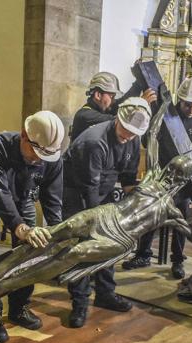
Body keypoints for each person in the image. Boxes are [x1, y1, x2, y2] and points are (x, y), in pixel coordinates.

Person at [0, 110, 65, 343]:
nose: (39, 160)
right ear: (23, 136)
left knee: (29, 252)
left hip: (21, 197)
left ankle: (19, 307)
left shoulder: (51, 157)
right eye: (36, 152)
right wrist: (20, 227)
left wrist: (58, 232)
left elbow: (52, 198)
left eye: (45, 156)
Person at [62, 97, 151, 328]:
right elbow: (89, 188)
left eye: (133, 133)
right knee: (83, 247)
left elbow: (128, 179)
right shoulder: (94, 142)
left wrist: (136, 203)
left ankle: (105, 293)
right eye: (125, 130)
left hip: (104, 190)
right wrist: (100, 223)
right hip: (77, 194)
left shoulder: (132, 138)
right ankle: (80, 303)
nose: (128, 136)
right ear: (117, 119)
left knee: (111, 242)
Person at [123, 77, 192, 279]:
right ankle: (143, 254)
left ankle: (178, 261)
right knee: (149, 215)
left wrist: (191, 154)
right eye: (188, 105)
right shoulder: (167, 115)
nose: (191, 110)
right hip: (161, 176)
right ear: (179, 100)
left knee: (180, 220)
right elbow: (150, 138)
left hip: (184, 181)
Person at [70, 71, 156, 142]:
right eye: (111, 97)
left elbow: (122, 103)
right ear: (98, 95)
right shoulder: (85, 116)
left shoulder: (103, 110)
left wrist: (138, 82)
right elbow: (121, 120)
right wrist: (141, 104)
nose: (114, 100)